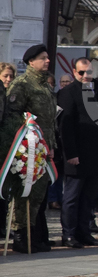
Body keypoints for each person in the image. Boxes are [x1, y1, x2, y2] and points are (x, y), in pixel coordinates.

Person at [5, 45, 57, 253]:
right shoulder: (22, 84)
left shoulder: (45, 86)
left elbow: (49, 121)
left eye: (47, 58)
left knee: (37, 195)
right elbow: (13, 116)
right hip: (27, 148)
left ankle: (33, 236)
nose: (47, 61)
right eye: (43, 58)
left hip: (43, 149)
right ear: (30, 61)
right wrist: (24, 144)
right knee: (23, 193)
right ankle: (20, 237)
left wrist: (50, 146)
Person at [57, 57, 98, 249]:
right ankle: (69, 234)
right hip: (77, 154)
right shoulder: (68, 93)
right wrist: (71, 153)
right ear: (74, 73)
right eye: (81, 73)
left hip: (97, 153)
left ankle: (84, 232)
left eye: (89, 72)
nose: (85, 76)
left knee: (89, 197)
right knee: (72, 197)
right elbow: (65, 126)